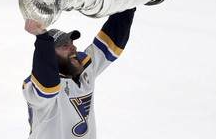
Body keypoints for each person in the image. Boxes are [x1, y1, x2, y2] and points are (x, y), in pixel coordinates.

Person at [22, 8, 136, 139]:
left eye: (72, 43)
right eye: (65, 46)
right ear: (50, 57)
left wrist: (127, 4)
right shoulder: (36, 89)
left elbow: (111, 42)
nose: (73, 48)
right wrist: (42, 38)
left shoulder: (85, 67)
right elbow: (47, 85)